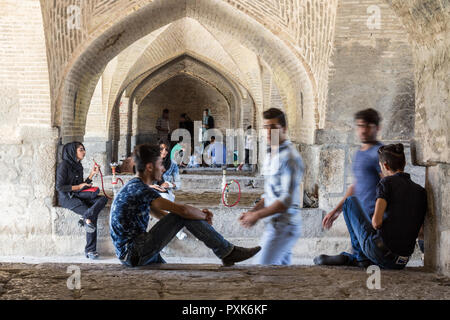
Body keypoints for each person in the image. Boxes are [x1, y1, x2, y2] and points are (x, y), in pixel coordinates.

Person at [109, 143, 261, 267]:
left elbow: (163, 217)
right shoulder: (140, 189)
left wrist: (195, 219)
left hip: (131, 253)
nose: (163, 169)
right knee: (182, 213)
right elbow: (181, 211)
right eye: (160, 164)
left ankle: (227, 252)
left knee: (183, 215)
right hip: (133, 253)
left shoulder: (134, 186)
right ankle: (227, 252)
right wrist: (202, 215)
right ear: (149, 167)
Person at [314, 144, 426, 269]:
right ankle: (354, 258)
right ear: (404, 163)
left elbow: (376, 223)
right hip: (401, 262)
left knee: (350, 202)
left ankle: (360, 258)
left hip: (382, 255)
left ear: (385, 166)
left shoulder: (386, 183)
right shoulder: (420, 191)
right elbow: (420, 231)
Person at [317, 108, 384, 267]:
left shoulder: (379, 153)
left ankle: (353, 258)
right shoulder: (359, 153)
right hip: (360, 215)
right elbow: (355, 186)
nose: (363, 130)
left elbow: (388, 184)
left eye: (368, 126)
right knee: (362, 252)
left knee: (366, 255)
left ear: (377, 128)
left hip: (375, 217)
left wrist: (381, 214)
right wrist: (336, 211)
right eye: (360, 126)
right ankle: (355, 257)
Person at [239, 108, 304, 265]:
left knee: (261, 272)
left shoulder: (289, 158)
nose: (269, 132)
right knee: (278, 278)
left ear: (284, 129)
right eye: (266, 128)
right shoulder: (270, 154)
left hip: (284, 226)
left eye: (274, 128)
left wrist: (257, 216)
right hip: (274, 224)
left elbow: (285, 201)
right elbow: (270, 194)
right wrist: (254, 211)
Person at [56, 142, 108, 260]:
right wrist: (79, 187)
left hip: (78, 195)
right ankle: (90, 250)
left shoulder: (78, 165)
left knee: (102, 198)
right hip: (67, 198)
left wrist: (91, 175)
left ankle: (85, 217)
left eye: (84, 149)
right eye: (81, 150)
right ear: (72, 151)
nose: (84, 152)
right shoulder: (64, 165)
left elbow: (81, 184)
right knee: (91, 217)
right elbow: (60, 187)